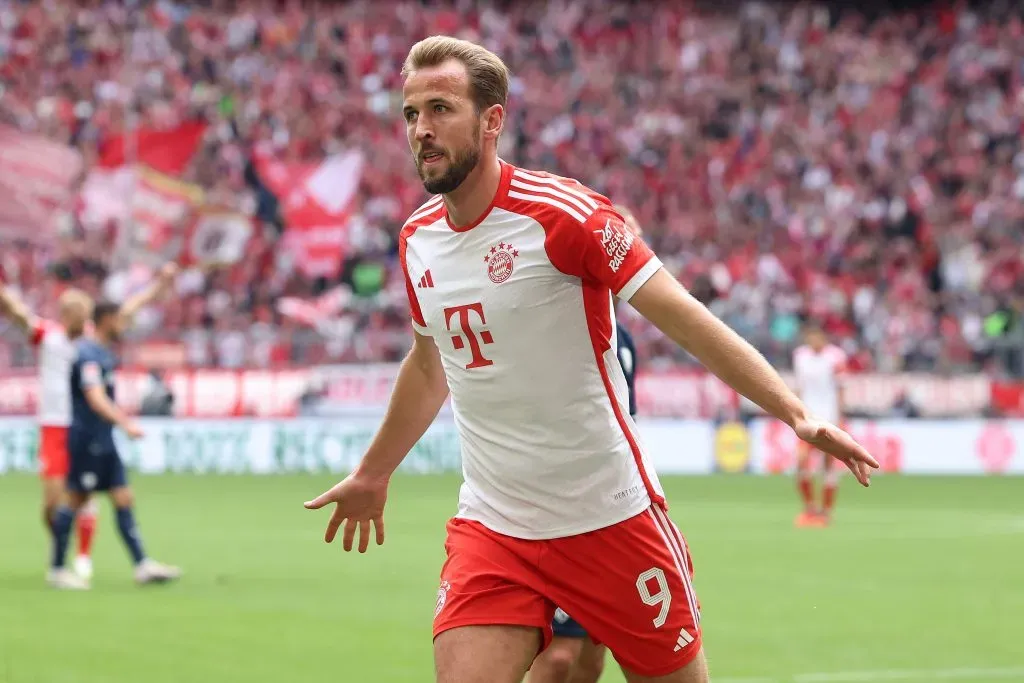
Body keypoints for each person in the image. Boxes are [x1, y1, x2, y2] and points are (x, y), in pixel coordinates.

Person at [304, 36, 877, 683]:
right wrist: (374, 472)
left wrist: (796, 413)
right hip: (495, 527)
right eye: (411, 113)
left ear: (493, 120)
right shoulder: (417, 240)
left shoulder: (567, 217)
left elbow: (685, 317)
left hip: (610, 518)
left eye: (440, 109)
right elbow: (430, 363)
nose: (422, 130)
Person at [526, 206, 642, 683]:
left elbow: (626, 417)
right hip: (554, 506)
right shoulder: (555, 324)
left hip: (611, 504)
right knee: (555, 658)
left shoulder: (624, 336)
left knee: (594, 655)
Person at [0, 274, 178, 581]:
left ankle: (81, 557)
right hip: (55, 425)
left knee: (91, 494)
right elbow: (15, 311)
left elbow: (128, 310)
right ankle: (62, 555)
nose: (79, 319)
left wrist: (159, 286)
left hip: (83, 426)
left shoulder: (92, 341)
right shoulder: (49, 336)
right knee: (56, 502)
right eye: (73, 314)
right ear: (64, 315)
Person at [47, 265, 183, 590]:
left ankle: (142, 565)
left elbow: (134, 306)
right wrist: (126, 423)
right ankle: (56, 569)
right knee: (75, 499)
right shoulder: (89, 354)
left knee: (123, 497)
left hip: (103, 439)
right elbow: (94, 398)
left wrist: (159, 285)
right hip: (88, 438)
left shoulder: (102, 349)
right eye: (121, 319)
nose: (126, 324)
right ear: (107, 320)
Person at [792, 323, 849, 527]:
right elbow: (799, 387)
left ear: (823, 338)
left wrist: (840, 417)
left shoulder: (836, 356)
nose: (813, 341)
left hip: (829, 417)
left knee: (828, 464)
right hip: (807, 418)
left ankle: (825, 511)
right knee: (800, 461)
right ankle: (810, 508)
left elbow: (841, 388)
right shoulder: (800, 356)